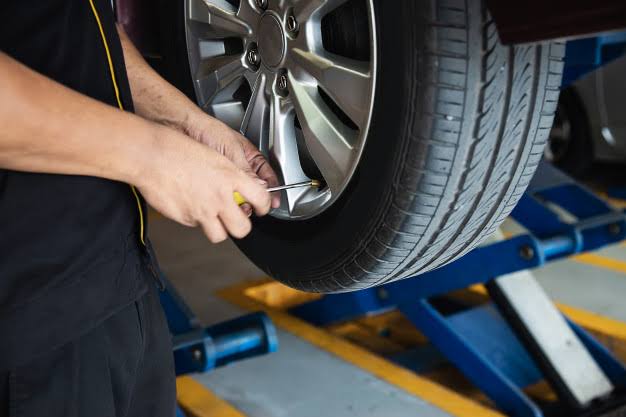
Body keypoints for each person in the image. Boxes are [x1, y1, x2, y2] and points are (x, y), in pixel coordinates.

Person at [0, 1, 281, 416]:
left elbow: (78, 28)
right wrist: (152, 156)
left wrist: (185, 122)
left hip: (118, 281)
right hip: (28, 323)